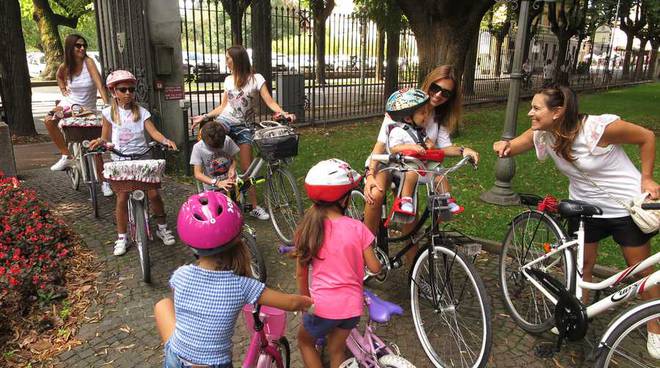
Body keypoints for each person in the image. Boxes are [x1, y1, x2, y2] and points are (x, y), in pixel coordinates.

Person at [492, 83, 659, 358]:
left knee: (641, 272)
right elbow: (515, 145)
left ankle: (655, 327)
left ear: (557, 112)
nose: (530, 114)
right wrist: (505, 146)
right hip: (584, 209)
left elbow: (647, 137)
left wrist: (647, 178)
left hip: (624, 209)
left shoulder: (597, 129)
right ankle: (577, 315)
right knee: (584, 266)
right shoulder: (544, 134)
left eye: (536, 108)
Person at [154, 192, 313, 368]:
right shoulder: (241, 286)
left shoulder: (180, 275)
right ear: (239, 240)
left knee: (162, 305)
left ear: (191, 245)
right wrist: (309, 302)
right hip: (214, 364)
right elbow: (290, 303)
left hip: (175, 358)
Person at [363, 65, 480, 236]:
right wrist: (370, 173)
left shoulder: (439, 118)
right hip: (387, 161)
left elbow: (445, 147)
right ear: (429, 84)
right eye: (435, 88)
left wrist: (464, 150)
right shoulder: (403, 105)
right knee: (376, 195)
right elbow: (381, 144)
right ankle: (366, 249)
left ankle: (413, 262)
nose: (439, 94)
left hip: (411, 167)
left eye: (446, 93)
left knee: (412, 218)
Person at [190, 45, 296, 221]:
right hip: (225, 122)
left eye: (228, 58)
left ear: (237, 59)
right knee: (213, 144)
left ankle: (254, 206)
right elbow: (224, 106)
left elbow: (270, 101)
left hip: (245, 127)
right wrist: (205, 116)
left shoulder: (256, 79)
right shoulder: (228, 80)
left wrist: (283, 113)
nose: (226, 62)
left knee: (247, 170)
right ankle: (211, 190)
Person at [295, 159, 382, 368]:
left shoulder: (307, 230)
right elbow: (375, 268)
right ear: (343, 200)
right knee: (337, 351)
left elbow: (300, 274)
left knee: (305, 342)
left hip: (323, 308)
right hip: (352, 308)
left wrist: (304, 303)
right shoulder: (357, 228)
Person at [88, 70, 177, 256]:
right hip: (120, 159)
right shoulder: (108, 113)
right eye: (123, 89)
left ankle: (162, 227)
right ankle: (122, 236)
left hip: (143, 159)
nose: (128, 93)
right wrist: (101, 142)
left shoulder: (142, 112)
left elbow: (153, 132)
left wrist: (165, 141)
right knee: (121, 197)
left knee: (153, 194)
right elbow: (105, 137)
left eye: (131, 89)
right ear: (113, 92)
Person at [45, 35, 112, 194]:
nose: (82, 48)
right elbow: (59, 76)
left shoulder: (89, 62)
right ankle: (66, 156)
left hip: (86, 109)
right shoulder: (66, 66)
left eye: (84, 45)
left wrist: (107, 103)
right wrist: (62, 89)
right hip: (68, 105)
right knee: (49, 120)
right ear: (70, 48)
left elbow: (99, 84)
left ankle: (104, 183)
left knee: (94, 145)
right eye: (78, 46)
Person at [382, 88, 433, 214]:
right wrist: (412, 147)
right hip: (401, 165)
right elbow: (394, 148)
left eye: (426, 112)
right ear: (408, 118)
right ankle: (406, 200)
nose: (426, 116)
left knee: (439, 173)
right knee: (411, 173)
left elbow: (427, 141)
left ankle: (445, 197)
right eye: (422, 113)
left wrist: (429, 144)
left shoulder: (419, 130)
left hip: (419, 163)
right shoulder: (398, 131)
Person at [190, 120, 239, 192]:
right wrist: (217, 183)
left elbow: (234, 159)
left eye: (220, 147)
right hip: (211, 189)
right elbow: (198, 174)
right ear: (204, 141)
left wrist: (232, 168)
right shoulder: (198, 148)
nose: (217, 150)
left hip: (230, 185)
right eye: (212, 148)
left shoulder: (227, 141)